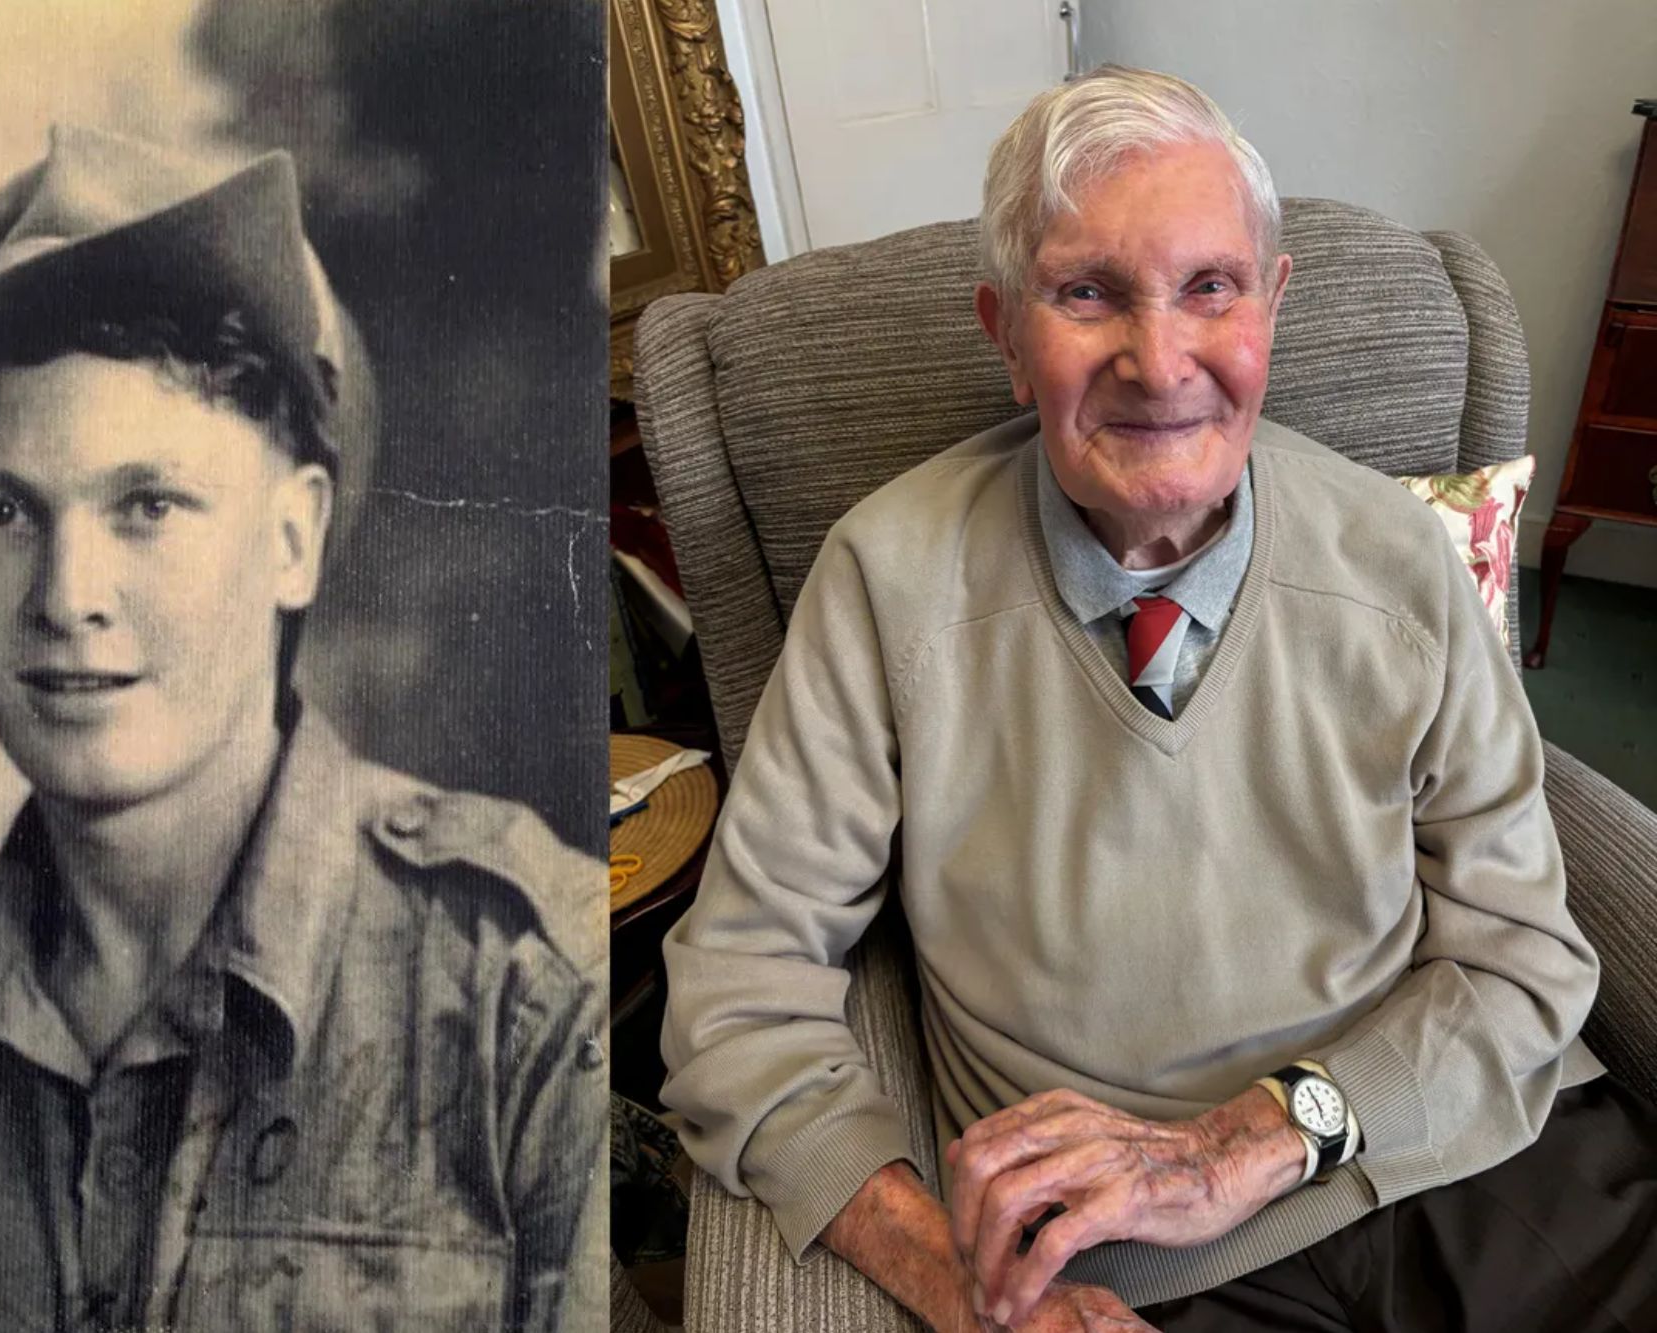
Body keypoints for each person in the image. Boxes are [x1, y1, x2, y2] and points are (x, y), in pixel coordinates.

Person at [660, 66, 1657, 1332]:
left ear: (1269, 309)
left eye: (1208, 288)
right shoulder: (887, 579)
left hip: (1452, 1148)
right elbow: (739, 987)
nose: (1158, 358)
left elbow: (1521, 958)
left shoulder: (1395, 561)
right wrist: (964, 1288)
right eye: (1085, 293)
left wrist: (1254, 1139)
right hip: (1128, 1262)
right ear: (1005, 335)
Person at [0, 125, 604, 1332]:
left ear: (291, 536)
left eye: (145, 504)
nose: (66, 593)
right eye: (0, 511)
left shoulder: (525, 991)